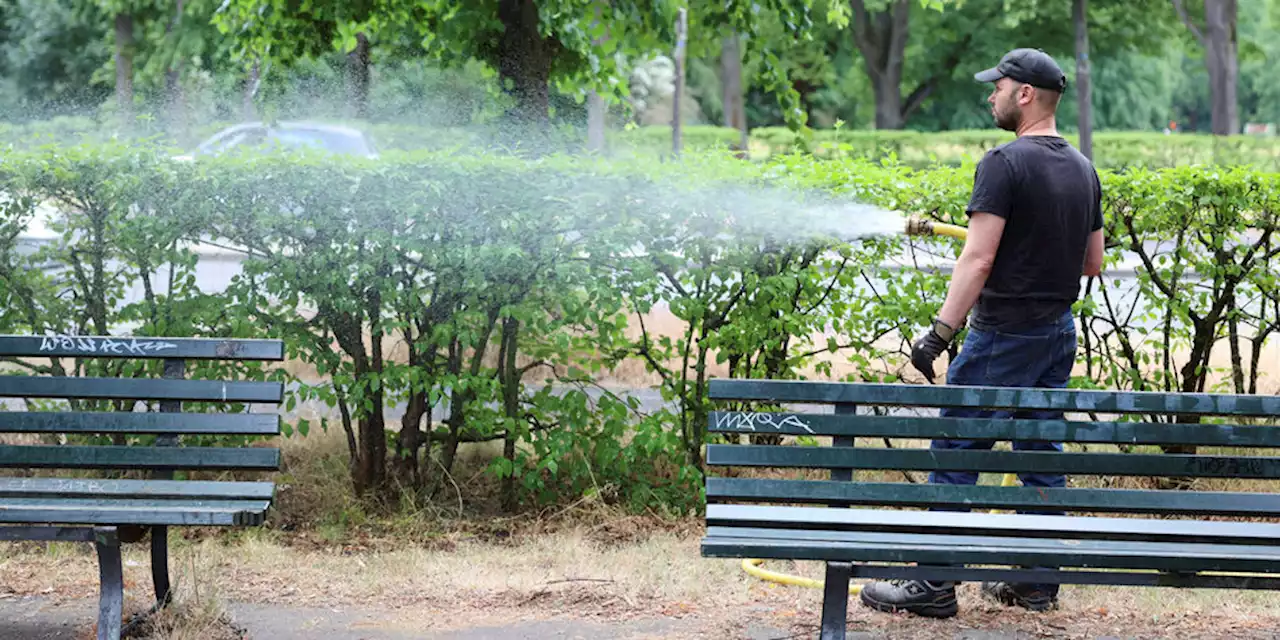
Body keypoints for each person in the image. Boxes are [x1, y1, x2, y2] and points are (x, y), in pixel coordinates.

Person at [857, 48, 1106, 619]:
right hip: (1055, 333)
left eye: (997, 86)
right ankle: (1038, 584)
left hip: (1001, 336)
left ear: (1023, 94)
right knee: (1041, 454)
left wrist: (939, 335)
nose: (990, 94)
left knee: (955, 451)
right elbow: (1091, 262)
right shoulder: (1083, 168)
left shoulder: (1003, 162)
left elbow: (977, 260)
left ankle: (934, 587)